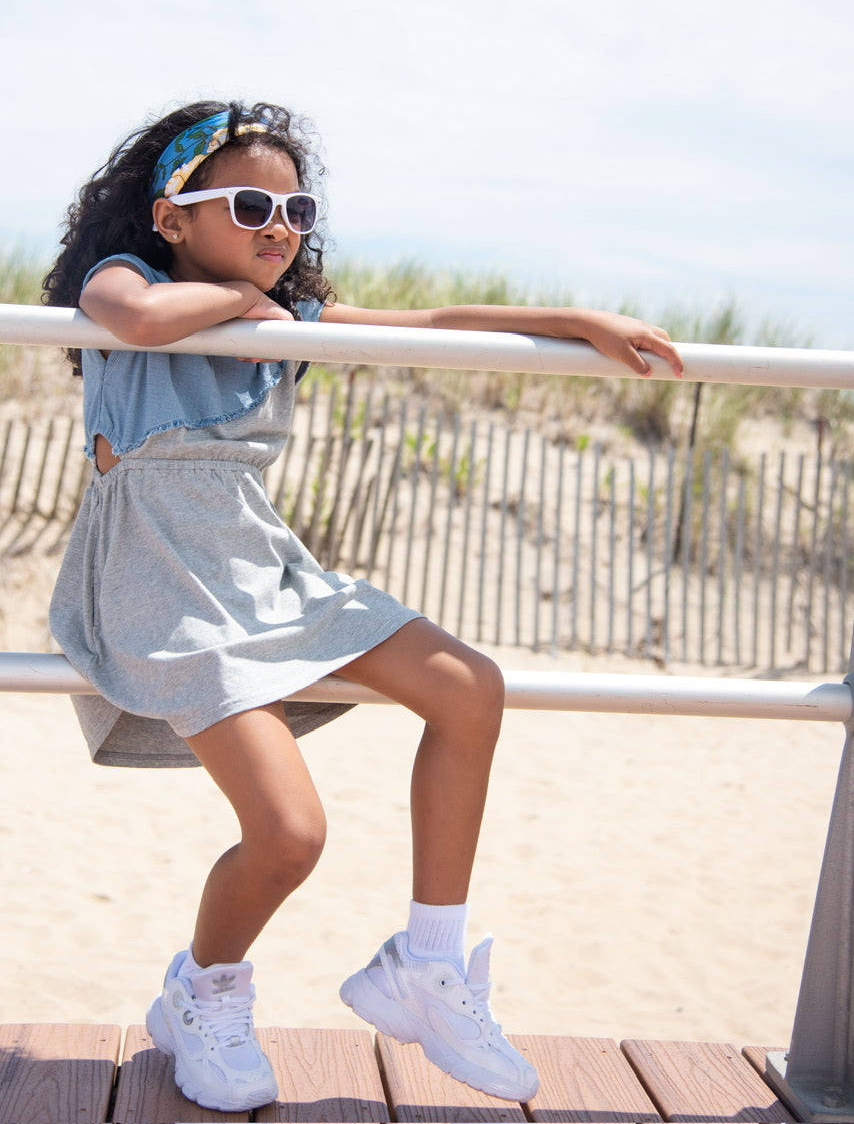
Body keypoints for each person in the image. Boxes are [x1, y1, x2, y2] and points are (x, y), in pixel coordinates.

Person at [43, 100, 683, 1112]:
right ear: (172, 218)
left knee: (469, 686)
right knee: (290, 834)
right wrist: (244, 310)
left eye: (294, 207)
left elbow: (430, 324)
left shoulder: (285, 318)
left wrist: (573, 322)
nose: (279, 225)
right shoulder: (128, 279)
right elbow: (134, 320)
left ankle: (425, 964)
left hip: (260, 565)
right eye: (249, 202)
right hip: (158, 579)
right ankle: (201, 989)